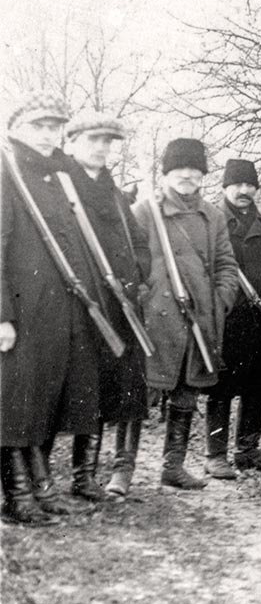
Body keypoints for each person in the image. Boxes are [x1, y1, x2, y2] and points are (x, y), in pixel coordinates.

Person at [1, 95, 101, 524]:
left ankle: (42, 488)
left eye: (54, 126)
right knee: (14, 401)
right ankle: (18, 496)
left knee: (46, 399)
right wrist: (2, 314)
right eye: (38, 125)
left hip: (60, 309)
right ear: (17, 127)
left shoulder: (60, 174)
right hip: (22, 309)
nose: (47, 134)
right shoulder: (7, 172)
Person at [134, 138, 240, 490]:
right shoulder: (146, 211)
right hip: (157, 317)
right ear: (167, 173)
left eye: (195, 170)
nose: (187, 175)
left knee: (186, 391)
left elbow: (226, 263)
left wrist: (220, 300)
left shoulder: (212, 216)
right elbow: (133, 262)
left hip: (200, 317)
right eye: (180, 169)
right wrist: (146, 296)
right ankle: (123, 470)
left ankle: (172, 466)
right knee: (138, 392)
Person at [63, 111, 152, 502]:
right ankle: (54, 479)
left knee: (111, 388)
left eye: (107, 142)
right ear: (73, 141)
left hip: (118, 305)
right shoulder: (62, 184)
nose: (100, 148)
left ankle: (87, 477)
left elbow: (140, 242)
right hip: (78, 304)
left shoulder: (114, 192)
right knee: (76, 388)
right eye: (92, 140)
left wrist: (137, 278)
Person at [209, 158, 261, 478]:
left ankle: (247, 450)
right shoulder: (214, 221)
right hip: (229, 317)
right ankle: (215, 454)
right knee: (221, 386)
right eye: (237, 185)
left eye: (249, 185)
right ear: (225, 187)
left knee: (258, 383)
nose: (244, 191)